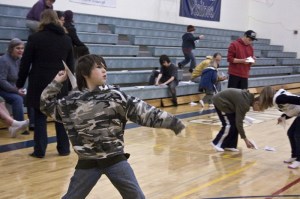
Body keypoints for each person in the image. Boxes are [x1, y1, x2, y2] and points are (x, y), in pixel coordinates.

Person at [40, 54, 185, 199]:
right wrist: (56, 82)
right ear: (84, 73)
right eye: (98, 67)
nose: (104, 70)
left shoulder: (116, 96)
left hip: (115, 160)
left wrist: (172, 122)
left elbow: (145, 112)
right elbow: (45, 105)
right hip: (87, 162)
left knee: (136, 197)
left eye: (104, 67)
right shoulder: (71, 102)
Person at [17, 9, 74, 158]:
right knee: (60, 117)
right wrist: (69, 86)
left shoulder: (35, 38)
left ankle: (40, 151)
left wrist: (20, 83)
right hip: (60, 82)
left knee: (40, 116)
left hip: (39, 82)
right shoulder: (66, 39)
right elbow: (70, 66)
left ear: (42, 20)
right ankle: (64, 149)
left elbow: (25, 63)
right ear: (57, 20)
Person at [259, 86, 300, 169]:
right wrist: (283, 117)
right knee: (291, 133)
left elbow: (297, 100)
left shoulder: (279, 98)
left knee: (297, 135)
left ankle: (299, 160)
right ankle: (294, 156)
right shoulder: (278, 99)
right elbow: (293, 109)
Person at [0, 38, 30, 135]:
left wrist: (21, 88)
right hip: (3, 89)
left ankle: (33, 124)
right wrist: (16, 90)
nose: (20, 50)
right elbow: (2, 81)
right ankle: (21, 127)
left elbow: (20, 77)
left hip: (14, 88)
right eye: (18, 48)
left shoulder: (19, 60)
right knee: (17, 99)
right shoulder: (4, 60)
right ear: (11, 49)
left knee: (32, 96)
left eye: (22, 48)